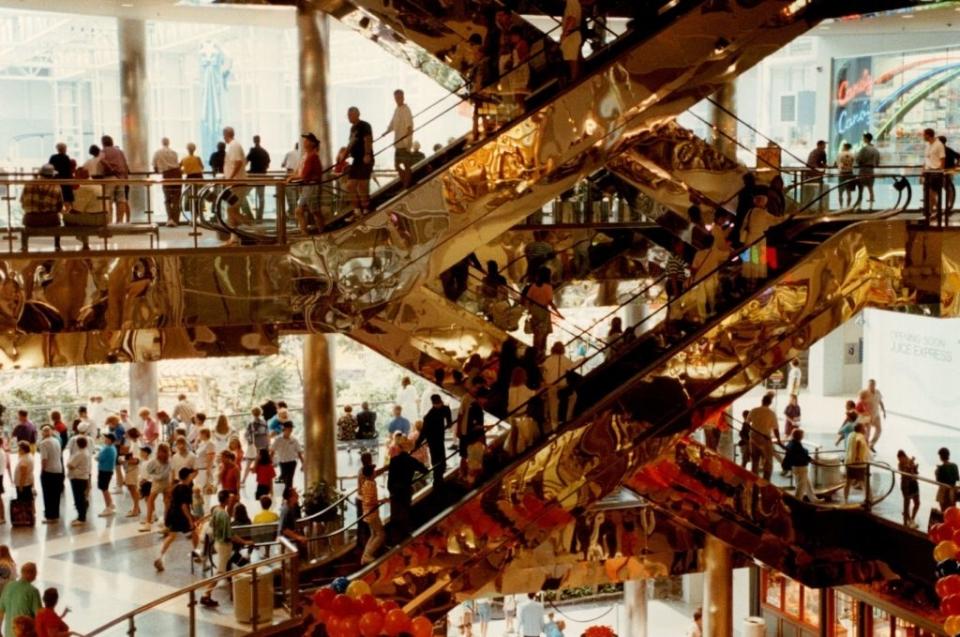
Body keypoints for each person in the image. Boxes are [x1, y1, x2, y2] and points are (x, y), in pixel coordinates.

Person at [200, 490, 254, 608]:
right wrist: (244, 541)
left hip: (218, 543)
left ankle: (208, 594)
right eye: (229, 498)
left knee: (223, 569)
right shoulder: (224, 515)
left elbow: (212, 526)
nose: (231, 500)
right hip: (224, 546)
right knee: (220, 572)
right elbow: (230, 535)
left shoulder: (216, 510)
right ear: (225, 500)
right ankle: (206, 595)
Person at [154, 467, 199, 572]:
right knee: (194, 531)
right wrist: (190, 520)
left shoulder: (175, 487)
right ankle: (196, 553)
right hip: (181, 515)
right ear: (188, 476)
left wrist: (166, 515)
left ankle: (159, 556)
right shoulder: (186, 489)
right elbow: (184, 506)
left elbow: (168, 501)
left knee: (171, 536)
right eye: (191, 475)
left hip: (172, 513)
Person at [386, 438, 428, 542]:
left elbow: (390, 480)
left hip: (395, 491)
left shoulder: (394, 460)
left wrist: (391, 491)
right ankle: (405, 538)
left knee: (395, 515)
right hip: (406, 490)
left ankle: (394, 539)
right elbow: (424, 470)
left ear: (400, 448)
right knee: (405, 513)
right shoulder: (411, 461)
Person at [739, 192, 779, 283]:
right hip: (759, 239)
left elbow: (744, 225)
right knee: (756, 261)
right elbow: (775, 220)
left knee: (750, 261)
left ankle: (748, 283)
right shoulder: (763, 213)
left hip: (749, 238)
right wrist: (789, 216)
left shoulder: (750, 212)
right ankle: (753, 282)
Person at [522, 266, 562, 356]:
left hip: (534, 311)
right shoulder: (548, 287)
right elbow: (550, 302)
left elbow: (527, 299)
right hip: (543, 312)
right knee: (544, 335)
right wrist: (558, 313)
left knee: (537, 334)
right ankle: (541, 353)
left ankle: (535, 352)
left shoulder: (534, 286)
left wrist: (528, 310)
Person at [341, 106, 374, 213]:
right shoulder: (353, 129)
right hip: (356, 160)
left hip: (364, 158)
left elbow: (367, 139)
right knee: (350, 185)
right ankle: (357, 210)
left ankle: (366, 209)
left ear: (357, 114)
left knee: (362, 185)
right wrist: (344, 155)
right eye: (348, 115)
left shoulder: (364, 125)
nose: (348, 117)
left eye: (350, 115)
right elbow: (351, 143)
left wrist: (367, 154)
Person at [291, 132, 324, 233]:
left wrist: (292, 178)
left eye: (307, 141)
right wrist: (294, 177)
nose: (304, 142)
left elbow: (304, 175)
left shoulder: (312, 157)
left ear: (312, 144)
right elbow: (301, 172)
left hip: (311, 186)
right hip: (307, 187)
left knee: (314, 211)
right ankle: (306, 232)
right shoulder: (307, 156)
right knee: (301, 211)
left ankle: (319, 231)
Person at [419, 394, 453, 490]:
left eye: (439, 403)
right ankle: (438, 482)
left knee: (440, 461)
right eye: (437, 403)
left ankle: (439, 481)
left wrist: (449, 422)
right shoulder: (429, 416)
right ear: (434, 404)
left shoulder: (435, 413)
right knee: (438, 461)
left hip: (437, 439)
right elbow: (424, 433)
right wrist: (418, 443)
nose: (439, 405)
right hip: (433, 441)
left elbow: (447, 412)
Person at [222, 126, 249, 242]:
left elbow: (238, 162)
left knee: (231, 210)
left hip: (236, 184)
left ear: (225, 135)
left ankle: (249, 226)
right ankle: (234, 237)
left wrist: (231, 178)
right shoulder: (234, 146)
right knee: (233, 210)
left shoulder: (234, 146)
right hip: (235, 183)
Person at [0, 563, 40, 637]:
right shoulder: (32, 591)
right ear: (30, 574)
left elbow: (1, 611)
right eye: (35, 572)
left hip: (9, 633)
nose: (36, 575)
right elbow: (39, 616)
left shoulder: (9, 586)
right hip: (24, 634)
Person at [748, 392, 781, 481]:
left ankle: (754, 485)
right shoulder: (771, 413)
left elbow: (746, 424)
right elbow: (776, 429)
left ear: (762, 401)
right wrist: (779, 440)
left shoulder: (753, 410)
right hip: (765, 439)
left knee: (755, 463)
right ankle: (766, 484)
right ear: (770, 403)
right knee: (768, 463)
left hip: (753, 438)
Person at [385, 89, 415, 187]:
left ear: (403, 97)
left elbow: (409, 126)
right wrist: (386, 132)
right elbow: (392, 123)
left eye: (399, 97)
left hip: (404, 143)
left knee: (406, 166)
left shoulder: (406, 109)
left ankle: (407, 185)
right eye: (396, 98)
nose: (398, 99)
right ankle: (405, 183)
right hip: (398, 143)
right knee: (397, 166)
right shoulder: (397, 110)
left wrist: (408, 141)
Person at [97, 135, 130, 224]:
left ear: (103, 143)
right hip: (121, 178)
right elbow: (125, 164)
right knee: (121, 200)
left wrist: (110, 168)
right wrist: (125, 177)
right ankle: (119, 221)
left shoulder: (103, 151)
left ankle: (109, 221)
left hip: (110, 177)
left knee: (108, 200)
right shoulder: (119, 151)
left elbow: (101, 160)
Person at [20, 164, 63, 230]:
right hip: (50, 220)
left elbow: (22, 202)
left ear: (40, 174)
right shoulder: (56, 186)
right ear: (52, 175)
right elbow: (60, 206)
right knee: (57, 217)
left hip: (30, 220)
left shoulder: (28, 184)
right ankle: (57, 240)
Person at [140, 443, 172, 531]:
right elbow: (149, 470)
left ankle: (166, 523)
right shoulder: (154, 461)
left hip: (166, 483)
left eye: (163, 451)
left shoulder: (168, 461)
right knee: (150, 501)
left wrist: (155, 476)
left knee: (167, 503)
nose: (161, 453)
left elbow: (164, 475)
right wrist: (154, 476)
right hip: (156, 483)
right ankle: (148, 523)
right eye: (159, 451)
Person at [358, 464, 385, 564]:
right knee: (381, 535)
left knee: (373, 535)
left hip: (368, 513)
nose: (375, 472)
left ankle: (365, 556)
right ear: (371, 473)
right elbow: (369, 500)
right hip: (372, 513)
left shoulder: (366, 483)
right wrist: (382, 501)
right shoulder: (370, 484)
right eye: (374, 470)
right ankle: (368, 555)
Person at [152, 137, 181, 227]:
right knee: (176, 198)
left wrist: (158, 170)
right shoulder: (174, 152)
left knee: (167, 199)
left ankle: (170, 219)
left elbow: (154, 165)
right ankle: (176, 220)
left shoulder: (157, 152)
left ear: (162, 143)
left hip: (167, 175)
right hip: (177, 175)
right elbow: (177, 164)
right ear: (169, 143)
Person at [37, 427, 63, 525]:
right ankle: (55, 515)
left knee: (48, 495)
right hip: (59, 469)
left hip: (49, 471)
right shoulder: (57, 441)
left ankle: (50, 517)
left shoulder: (43, 443)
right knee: (56, 495)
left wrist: (42, 471)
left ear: (43, 433)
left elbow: (44, 459)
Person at [923, 127, 947, 225]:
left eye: (924, 135)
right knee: (929, 193)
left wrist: (941, 172)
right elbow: (926, 158)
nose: (923, 137)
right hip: (928, 171)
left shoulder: (939, 145)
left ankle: (936, 210)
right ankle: (934, 211)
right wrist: (923, 170)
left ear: (928, 135)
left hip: (936, 172)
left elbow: (942, 159)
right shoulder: (928, 145)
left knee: (932, 193)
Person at [65, 435, 90, 527]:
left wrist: (68, 463)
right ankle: (80, 516)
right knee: (81, 498)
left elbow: (70, 465)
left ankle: (81, 518)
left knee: (79, 499)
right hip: (82, 477)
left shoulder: (80, 454)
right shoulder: (85, 452)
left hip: (77, 478)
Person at [782, 429, 813, 502]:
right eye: (802, 435)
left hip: (795, 467)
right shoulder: (797, 445)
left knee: (807, 485)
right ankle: (797, 502)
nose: (803, 436)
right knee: (800, 487)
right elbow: (802, 455)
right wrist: (809, 458)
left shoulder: (790, 443)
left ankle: (814, 499)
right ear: (800, 436)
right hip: (801, 467)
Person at [271, 421, 304, 491]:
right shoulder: (278, 440)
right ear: (284, 429)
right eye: (289, 429)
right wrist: (270, 462)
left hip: (292, 462)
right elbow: (272, 451)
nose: (290, 431)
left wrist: (303, 463)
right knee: (284, 476)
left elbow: (299, 452)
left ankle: (288, 493)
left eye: (291, 429)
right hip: (283, 462)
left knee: (290, 478)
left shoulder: (294, 440)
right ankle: (279, 488)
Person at [242, 407, 270, 485]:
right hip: (263, 445)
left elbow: (246, 435)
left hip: (253, 446)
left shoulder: (251, 424)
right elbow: (267, 434)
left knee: (248, 464)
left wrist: (249, 442)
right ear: (261, 413)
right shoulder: (264, 422)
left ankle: (243, 480)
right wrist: (268, 444)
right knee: (263, 464)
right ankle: (263, 480)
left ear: (252, 413)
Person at [844, 423, 871, 503]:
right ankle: (867, 498)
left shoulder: (851, 435)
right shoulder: (860, 436)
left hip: (849, 462)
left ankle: (846, 498)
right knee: (864, 482)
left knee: (848, 482)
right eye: (864, 428)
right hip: (859, 464)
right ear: (861, 429)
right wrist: (858, 456)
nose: (865, 429)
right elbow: (858, 442)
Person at [246, 135, 270, 220]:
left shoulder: (252, 151)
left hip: (252, 176)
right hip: (262, 176)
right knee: (261, 198)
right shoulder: (264, 152)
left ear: (254, 141)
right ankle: (260, 217)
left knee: (244, 194)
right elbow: (267, 165)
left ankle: (249, 215)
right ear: (260, 140)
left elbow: (246, 161)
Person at [856, 132, 880, 208]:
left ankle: (860, 199)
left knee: (861, 185)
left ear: (866, 139)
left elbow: (859, 159)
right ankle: (871, 199)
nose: (863, 139)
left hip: (863, 169)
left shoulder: (864, 149)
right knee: (870, 186)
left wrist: (859, 163)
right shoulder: (875, 150)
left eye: (864, 138)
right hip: (871, 169)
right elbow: (877, 161)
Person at [896, 450, 919, 528]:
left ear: (903, 456)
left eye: (900, 458)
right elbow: (903, 474)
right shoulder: (900, 464)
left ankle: (912, 519)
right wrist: (908, 466)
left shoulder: (910, 461)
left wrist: (914, 467)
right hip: (906, 485)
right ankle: (906, 521)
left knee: (917, 503)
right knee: (907, 503)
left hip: (913, 483)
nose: (899, 460)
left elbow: (915, 473)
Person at [560, 0, 583, 81]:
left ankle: (574, 79)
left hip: (571, 34)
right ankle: (575, 78)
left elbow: (572, 19)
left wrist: (564, 34)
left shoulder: (571, 2)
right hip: (573, 33)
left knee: (572, 60)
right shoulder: (575, 2)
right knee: (574, 59)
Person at [47, 143, 73, 210]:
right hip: (65, 182)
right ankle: (66, 214)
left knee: (55, 199)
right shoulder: (66, 158)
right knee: (66, 200)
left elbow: (50, 169)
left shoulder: (53, 157)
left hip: (55, 181)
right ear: (65, 149)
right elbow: (69, 171)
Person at [803, 140, 828, 209]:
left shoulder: (813, 151)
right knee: (819, 191)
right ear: (820, 145)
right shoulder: (822, 151)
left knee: (810, 192)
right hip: (815, 174)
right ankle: (819, 207)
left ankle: (807, 207)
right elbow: (824, 164)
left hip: (808, 173)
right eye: (824, 145)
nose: (825, 146)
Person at [863, 379, 886, 451]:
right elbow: (861, 403)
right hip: (867, 416)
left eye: (873, 384)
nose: (871, 386)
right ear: (868, 385)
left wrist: (884, 411)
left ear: (875, 385)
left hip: (876, 415)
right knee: (867, 432)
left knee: (879, 430)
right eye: (870, 385)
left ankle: (871, 444)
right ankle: (864, 446)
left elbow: (880, 402)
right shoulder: (865, 393)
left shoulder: (878, 392)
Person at [939, 135, 958, 214]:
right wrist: (956, 165)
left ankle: (948, 207)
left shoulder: (944, 150)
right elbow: (958, 156)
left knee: (948, 189)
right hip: (949, 171)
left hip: (946, 171)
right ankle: (949, 207)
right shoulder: (948, 149)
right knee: (949, 188)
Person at [281, 141, 301, 218]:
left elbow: (282, 164)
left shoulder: (289, 153)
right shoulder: (302, 154)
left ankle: (292, 211)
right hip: (299, 176)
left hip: (290, 175)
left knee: (290, 195)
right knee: (297, 195)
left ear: (294, 146)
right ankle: (294, 212)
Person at [936, 447, 959, 512]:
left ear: (941, 457)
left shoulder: (941, 468)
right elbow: (957, 479)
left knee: (944, 511)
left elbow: (938, 481)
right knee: (952, 511)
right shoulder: (955, 466)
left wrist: (936, 472)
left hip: (944, 491)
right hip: (953, 491)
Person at [836, 142, 856, 207]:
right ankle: (848, 207)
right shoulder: (853, 155)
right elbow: (854, 164)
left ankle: (841, 207)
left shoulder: (840, 154)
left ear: (844, 147)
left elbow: (837, 163)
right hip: (850, 173)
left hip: (842, 173)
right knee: (849, 192)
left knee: (840, 192)